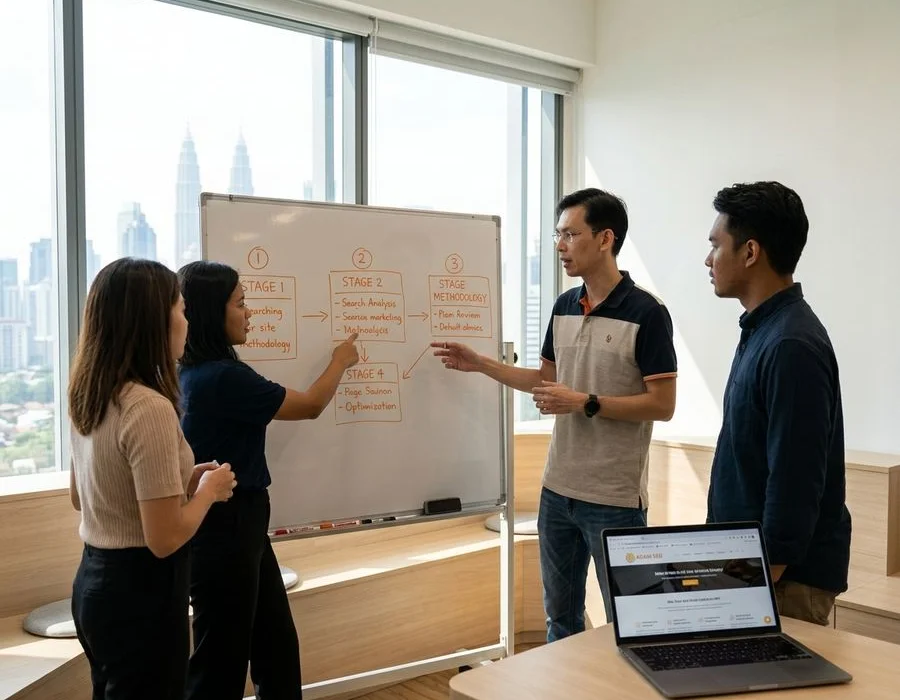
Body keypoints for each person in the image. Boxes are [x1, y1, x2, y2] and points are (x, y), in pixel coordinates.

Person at [433, 188, 677, 641]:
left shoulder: (648, 312)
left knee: (633, 625)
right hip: (557, 492)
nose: (560, 245)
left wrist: (586, 402)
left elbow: (662, 405)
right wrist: (481, 364)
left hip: (614, 500)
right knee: (559, 623)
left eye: (570, 234)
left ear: (606, 239)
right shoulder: (564, 305)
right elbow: (545, 381)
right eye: (557, 235)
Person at [177, 260, 360, 700]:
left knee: (274, 643)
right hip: (227, 522)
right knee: (221, 656)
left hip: (239, 522)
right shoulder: (222, 377)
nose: (250, 312)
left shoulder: (195, 370)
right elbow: (311, 404)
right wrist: (340, 360)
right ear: (210, 312)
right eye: (240, 303)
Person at [68, 257, 236, 700]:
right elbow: (164, 538)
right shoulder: (148, 407)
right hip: (141, 592)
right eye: (181, 309)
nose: (186, 320)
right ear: (153, 321)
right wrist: (207, 492)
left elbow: (83, 496)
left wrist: (180, 481)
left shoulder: (91, 392)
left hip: (94, 583)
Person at [704, 181, 851, 625]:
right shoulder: (764, 329)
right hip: (753, 570)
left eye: (716, 245)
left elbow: (794, 484)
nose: (708, 259)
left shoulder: (791, 343)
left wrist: (749, 588)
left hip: (782, 583)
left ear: (750, 252)